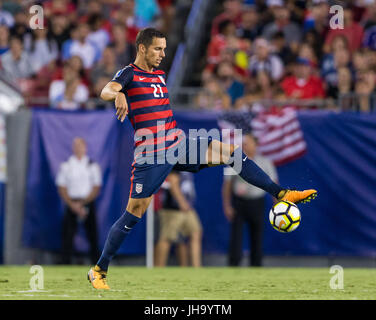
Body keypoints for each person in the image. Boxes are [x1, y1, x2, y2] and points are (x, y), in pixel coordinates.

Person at [87, 28, 317, 290]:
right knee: (135, 211)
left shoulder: (160, 76)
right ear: (142, 48)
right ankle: (99, 269)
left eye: (164, 48)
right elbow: (105, 89)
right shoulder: (129, 73)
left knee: (231, 152)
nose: (163, 54)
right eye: (157, 49)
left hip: (177, 142)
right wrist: (118, 94)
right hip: (151, 153)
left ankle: (282, 193)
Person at [222, 133, 277, 267]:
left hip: (257, 202)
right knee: (236, 235)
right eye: (243, 143)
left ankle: (256, 265)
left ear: (255, 145)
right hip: (239, 202)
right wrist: (227, 205)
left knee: (257, 235)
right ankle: (233, 264)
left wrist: (277, 204)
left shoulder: (265, 162)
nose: (244, 146)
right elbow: (227, 185)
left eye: (247, 143)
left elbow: (273, 183)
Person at [56, 137, 102, 265]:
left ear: (85, 147)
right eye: (75, 145)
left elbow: (96, 187)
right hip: (71, 203)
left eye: (80, 145)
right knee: (67, 234)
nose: (78, 148)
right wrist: (73, 205)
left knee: (93, 234)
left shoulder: (92, 165)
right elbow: (62, 186)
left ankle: (97, 264)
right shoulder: (66, 165)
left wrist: (82, 204)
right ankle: (65, 262)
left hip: (87, 202)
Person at [154, 171, 202, 267]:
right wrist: (181, 202)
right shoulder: (175, 161)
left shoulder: (188, 164)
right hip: (172, 208)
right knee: (167, 237)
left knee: (195, 232)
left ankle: (197, 267)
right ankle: (158, 267)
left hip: (187, 207)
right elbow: (173, 182)